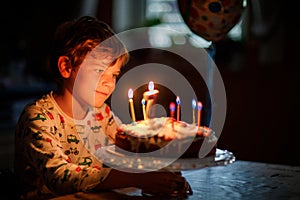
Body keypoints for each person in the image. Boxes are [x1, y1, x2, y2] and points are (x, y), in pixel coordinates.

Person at [14, 15, 191, 199]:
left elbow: (129, 153)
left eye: (113, 75)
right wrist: (138, 179)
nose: (108, 84)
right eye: (99, 71)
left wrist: (162, 173)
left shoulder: (102, 114)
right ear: (66, 67)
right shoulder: (37, 118)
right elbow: (59, 177)